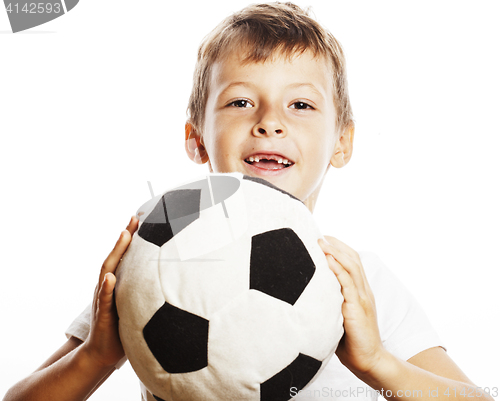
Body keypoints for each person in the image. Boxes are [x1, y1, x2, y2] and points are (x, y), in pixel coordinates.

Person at [3, 2, 494, 401]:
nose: (269, 121)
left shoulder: (359, 281)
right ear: (196, 138)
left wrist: (378, 363)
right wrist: (96, 356)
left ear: (342, 143)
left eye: (300, 105)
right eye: (240, 102)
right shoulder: (153, 262)